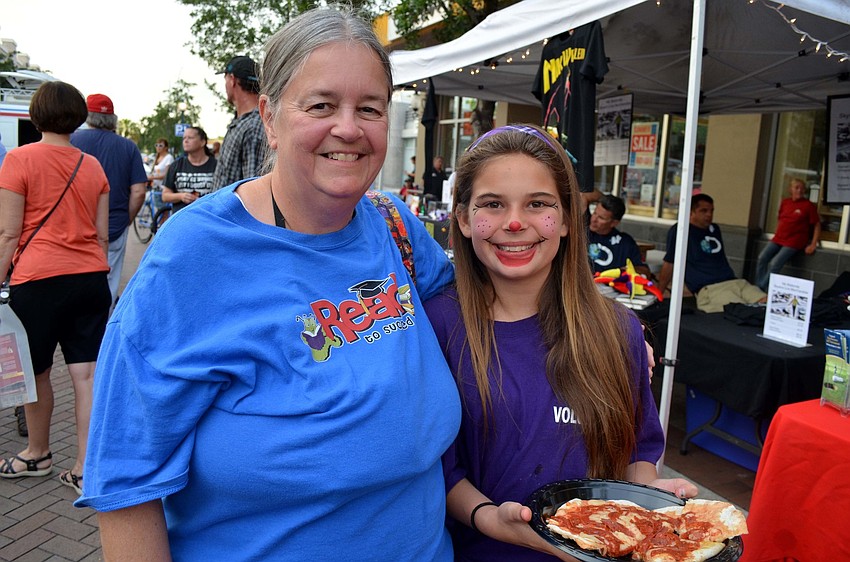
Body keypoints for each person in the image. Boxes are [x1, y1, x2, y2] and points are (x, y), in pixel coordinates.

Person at [78, 8, 459, 562]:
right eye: (322, 105)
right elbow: (127, 477)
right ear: (270, 119)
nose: (348, 128)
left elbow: (486, 317)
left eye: (369, 108)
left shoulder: (396, 226)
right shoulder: (190, 259)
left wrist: (609, 336)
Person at [423, 124, 696, 561]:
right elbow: (438, 466)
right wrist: (490, 517)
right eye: (492, 204)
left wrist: (647, 499)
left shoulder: (618, 330)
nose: (515, 222)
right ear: (462, 219)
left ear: (568, 219)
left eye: (538, 204)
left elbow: (638, 450)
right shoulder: (435, 326)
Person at [0, 81, 112, 495]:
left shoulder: (18, 160)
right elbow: (102, 235)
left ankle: (37, 453)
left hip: (38, 280)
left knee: (35, 373)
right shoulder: (93, 166)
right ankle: (85, 467)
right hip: (89, 279)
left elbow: (9, 234)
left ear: (35, 114)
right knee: (86, 376)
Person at [70, 93, 147, 306]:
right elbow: (139, 191)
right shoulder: (128, 147)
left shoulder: (72, 141)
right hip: (114, 226)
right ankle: (105, 332)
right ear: (112, 119)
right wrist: (126, 219)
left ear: (88, 116)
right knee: (109, 283)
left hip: (76, 227)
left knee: (77, 281)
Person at [657, 193, 766, 313]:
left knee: (767, 304)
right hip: (711, 289)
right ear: (691, 212)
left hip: (735, 282)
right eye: (703, 211)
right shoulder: (680, 230)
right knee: (743, 311)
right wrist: (659, 294)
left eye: (711, 210)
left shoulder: (714, 229)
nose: (709, 214)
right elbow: (670, 263)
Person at [210, 56, 267, 190]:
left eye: (225, 80)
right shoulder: (241, 123)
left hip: (234, 210)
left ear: (232, 80)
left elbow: (254, 190)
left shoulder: (253, 126)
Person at [755, 178, 820, 291]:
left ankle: (761, 288)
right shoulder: (785, 202)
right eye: (796, 188)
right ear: (790, 189)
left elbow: (817, 225)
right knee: (762, 258)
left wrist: (813, 243)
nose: (799, 190)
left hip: (794, 241)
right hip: (779, 238)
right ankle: (759, 286)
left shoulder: (808, 206)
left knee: (774, 263)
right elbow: (780, 219)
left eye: (802, 188)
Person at [588, 194, 650, 276]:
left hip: (612, 286)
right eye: (594, 213)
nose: (594, 219)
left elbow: (645, 271)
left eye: (601, 218)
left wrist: (625, 271)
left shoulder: (625, 243)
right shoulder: (580, 234)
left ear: (614, 223)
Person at [161, 126, 216, 213]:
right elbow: (165, 196)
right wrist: (181, 196)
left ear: (202, 142)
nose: (185, 141)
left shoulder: (216, 166)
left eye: (190, 138)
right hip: (182, 220)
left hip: (208, 218)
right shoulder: (176, 165)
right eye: (184, 138)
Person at [147, 137, 174, 208]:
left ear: (166, 147)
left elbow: (166, 174)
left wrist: (152, 177)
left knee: (163, 212)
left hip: (164, 188)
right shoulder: (157, 157)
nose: (158, 147)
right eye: (156, 145)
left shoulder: (169, 157)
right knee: (157, 210)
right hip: (156, 187)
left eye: (161, 145)